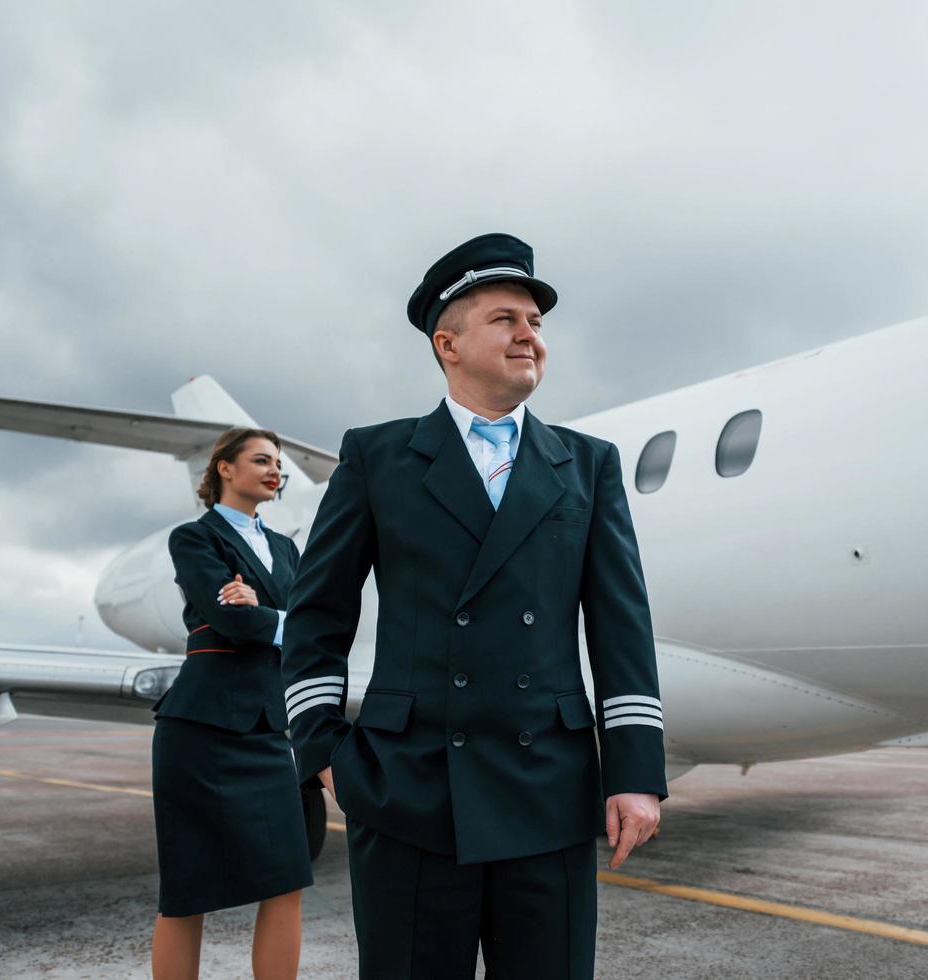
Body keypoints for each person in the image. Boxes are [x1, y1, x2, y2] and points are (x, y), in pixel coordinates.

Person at [283, 233, 667, 978]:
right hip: (410, 792)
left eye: (537, 322)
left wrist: (634, 774)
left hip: (548, 791)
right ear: (447, 343)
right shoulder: (378, 457)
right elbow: (317, 614)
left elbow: (622, 628)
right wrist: (326, 754)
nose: (530, 334)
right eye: (506, 319)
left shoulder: (587, 464)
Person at [151, 427, 313, 980]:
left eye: (278, 464)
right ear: (225, 468)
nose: (275, 471)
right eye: (262, 460)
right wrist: (274, 619)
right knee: (187, 891)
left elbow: (311, 627)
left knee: (288, 880)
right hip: (199, 729)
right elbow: (230, 620)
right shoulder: (193, 539)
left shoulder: (288, 549)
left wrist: (264, 613)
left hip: (268, 729)